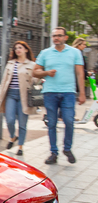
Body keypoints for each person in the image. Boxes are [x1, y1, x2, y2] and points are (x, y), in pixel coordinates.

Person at [33, 27, 86, 164]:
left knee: (69, 120)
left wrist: (82, 93)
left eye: (59, 35)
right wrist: (47, 73)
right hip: (50, 92)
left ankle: (67, 149)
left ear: (65, 37)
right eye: (54, 36)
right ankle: (53, 153)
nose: (56, 38)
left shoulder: (74, 52)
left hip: (68, 92)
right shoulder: (45, 53)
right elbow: (35, 72)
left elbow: (80, 73)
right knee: (52, 123)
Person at [0, 41, 38, 156]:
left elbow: (36, 80)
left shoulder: (32, 65)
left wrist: (36, 80)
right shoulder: (10, 64)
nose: (18, 50)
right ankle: (12, 137)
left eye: (20, 48)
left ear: (26, 50)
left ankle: (20, 147)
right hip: (10, 95)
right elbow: (4, 82)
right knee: (10, 120)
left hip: (24, 96)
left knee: (22, 124)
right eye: (16, 48)